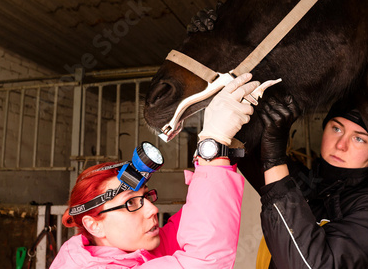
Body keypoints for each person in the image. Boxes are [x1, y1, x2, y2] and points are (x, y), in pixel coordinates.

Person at [50, 73, 259, 269]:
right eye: (130, 202)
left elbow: (191, 228)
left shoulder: (131, 252)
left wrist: (217, 152)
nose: (152, 210)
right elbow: (203, 261)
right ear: (94, 226)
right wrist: (213, 146)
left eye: (146, 196)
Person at [256, 97, 368, 269]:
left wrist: (274, 160)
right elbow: (248, 149)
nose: (341, 145)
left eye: (359, 139)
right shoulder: (304, 182)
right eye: (336, 128)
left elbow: (311, 265)